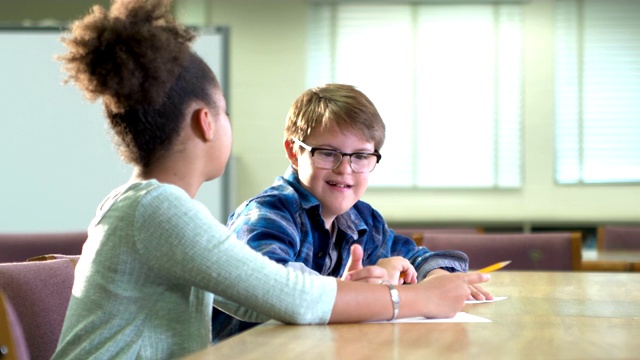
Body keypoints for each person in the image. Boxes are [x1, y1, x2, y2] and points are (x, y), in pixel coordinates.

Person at [51, 1, 490, 358]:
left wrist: (342, 289)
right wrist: (420, 300)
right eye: (225, 112)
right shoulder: (157, 209)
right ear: (206, 122)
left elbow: (251, 295)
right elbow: (290, 296)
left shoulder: (156, 207)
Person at [211, 83, 494, 341]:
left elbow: (415, 256)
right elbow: (273, 288)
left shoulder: (362, 219)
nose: (344, 169)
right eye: (327, 153)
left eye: (360, 156)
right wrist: (355, 292)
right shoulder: (267, 214)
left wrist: (436, 278)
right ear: (294, 152)